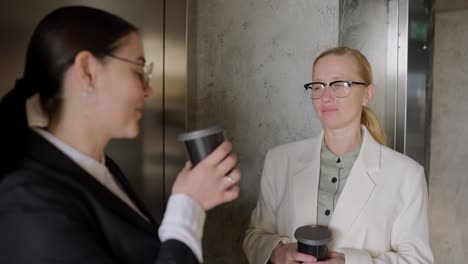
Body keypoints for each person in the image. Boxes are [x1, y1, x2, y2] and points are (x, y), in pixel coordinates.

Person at [0, 6, 240, 264]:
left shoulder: (103, 169)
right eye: (139, 72)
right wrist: (188, 206)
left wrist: (191, 199)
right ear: (87, 71)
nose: (148, 91)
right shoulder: (27, 201)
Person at [243, 47, 433, 264]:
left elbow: (417, 260)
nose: (325, 96)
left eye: (339, 85)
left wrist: (350, 262)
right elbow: (254, 235)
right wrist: (277, 252)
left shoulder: (407, 174)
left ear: (367, 94)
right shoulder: (279, 160)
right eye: (318, 86)